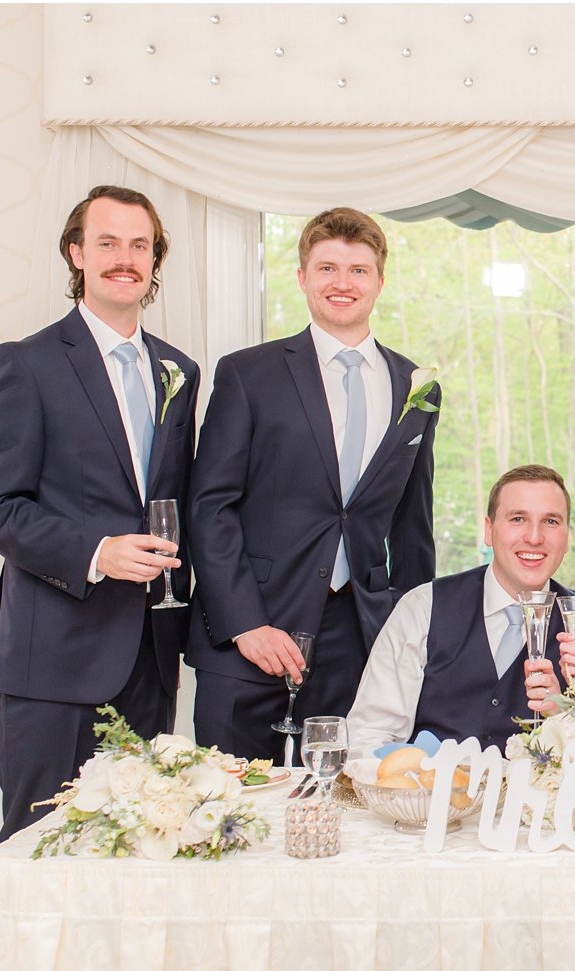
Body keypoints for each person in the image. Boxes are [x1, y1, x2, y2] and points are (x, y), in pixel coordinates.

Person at [0, 185, 199, 843]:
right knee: (40, 851)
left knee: (135, 854)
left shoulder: (177, 371)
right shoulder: (26, 364)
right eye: (107, 243)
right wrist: (99, 552)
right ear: (76, 253)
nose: (123, 259)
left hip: (150, 661)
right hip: (52, 660)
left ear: (155, 261)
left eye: (139, 245)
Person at [188, 207, 440, 763]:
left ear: (379, 281)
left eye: (358, 270)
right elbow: (210, 508)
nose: (342, 283)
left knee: (345, 804)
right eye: (327, 268)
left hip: (360, 637)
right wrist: (245, 624)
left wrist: (415, 635)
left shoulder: (416, 386)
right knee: (233, 809)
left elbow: (412, 524)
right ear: (302, 277)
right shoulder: (248, 374)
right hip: (252, 634)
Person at [347, 464, 575, 756]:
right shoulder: (422, 608)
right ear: (489, 530)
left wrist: (568, 710)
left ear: (567, 536)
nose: (534, 537)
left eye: (550, 521)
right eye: (518, 518)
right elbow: (369, 736)